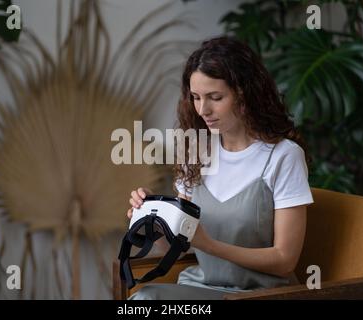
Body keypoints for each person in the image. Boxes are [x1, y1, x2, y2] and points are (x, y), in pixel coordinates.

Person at [126, 36, 314, 300]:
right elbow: (177, 246)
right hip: (201, 288)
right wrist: (153, 222)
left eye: (215, 97)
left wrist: (209, 245)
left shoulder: (283, 156)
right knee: (143, 300)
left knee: (147, 301)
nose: (203, 109)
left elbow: (285, 260)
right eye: (195, 97)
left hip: (262, 295)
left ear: (245, 93)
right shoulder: (195, 151)